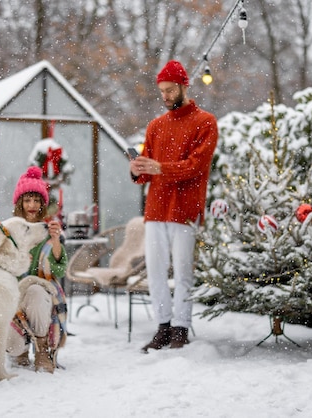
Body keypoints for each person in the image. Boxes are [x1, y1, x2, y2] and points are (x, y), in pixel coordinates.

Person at [130, 60, 218, 351]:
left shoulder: (205, 122)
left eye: (169, 90)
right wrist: (136, 168)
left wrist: (159, 168)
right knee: (155, 271)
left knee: (183, 271)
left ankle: (181, 327)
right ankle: (163, 326)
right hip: (156, 208)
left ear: (183, 86)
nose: (165, 96)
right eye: (162, 92)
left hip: (185, 209)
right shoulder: (155, 126)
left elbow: (196, 166)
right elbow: (146, 172)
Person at [6, 166, 68, 372]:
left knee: (35, 290)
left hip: (40, 296)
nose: (32, 205)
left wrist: (55, 241)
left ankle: (42, 348)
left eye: (36, 200)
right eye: (27, 200)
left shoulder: (47, 231)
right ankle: (20, 348)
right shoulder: (11, 232)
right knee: (10, 346)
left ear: (42, 203)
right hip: (13, 294)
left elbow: (59, 271)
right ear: (19, 203)